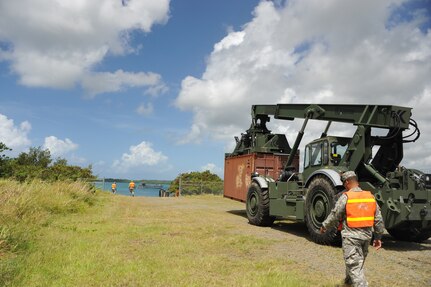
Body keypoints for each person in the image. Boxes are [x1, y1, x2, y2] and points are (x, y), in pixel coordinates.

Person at [320, 171, 384, 287]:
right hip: (366, 238)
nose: (344, 186)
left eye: (344, 183)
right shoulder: (370, 197)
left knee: (354, 266)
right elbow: (378, 220)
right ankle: (348, 284)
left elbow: (335, 214)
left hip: (351, 238)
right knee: (356, 264)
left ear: (348, 182)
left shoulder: (346, 197)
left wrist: (325, 226)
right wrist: (378, 237)